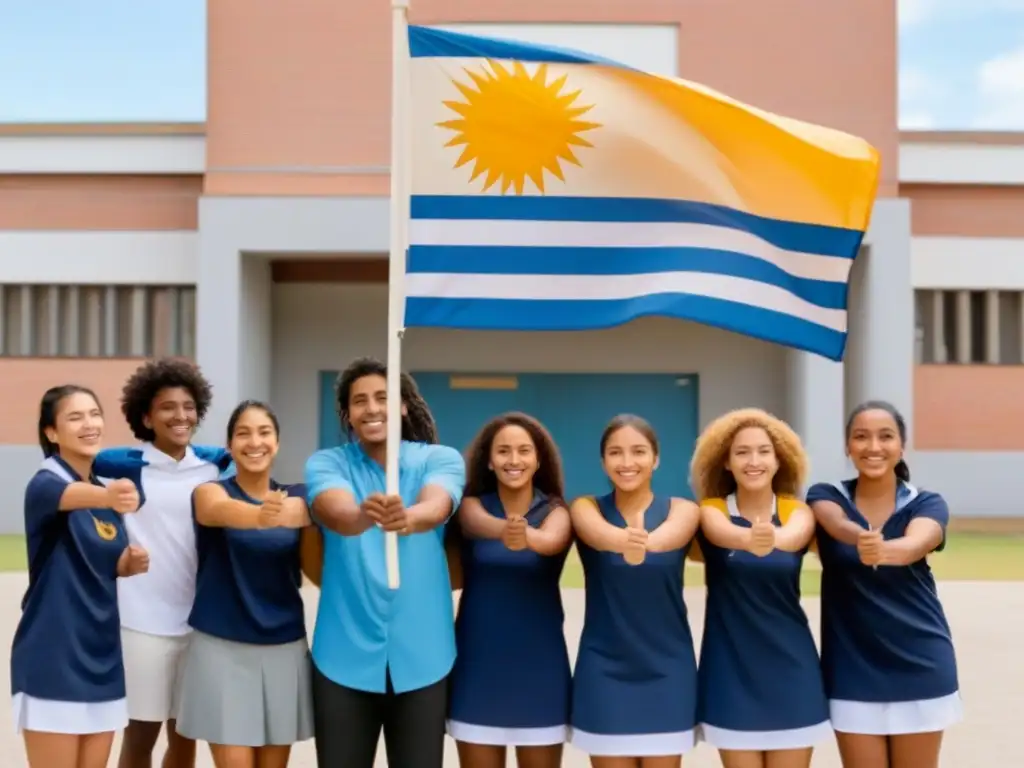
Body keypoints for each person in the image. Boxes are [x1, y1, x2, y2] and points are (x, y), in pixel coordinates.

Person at [304, 357, 466, 768]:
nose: (372, 408)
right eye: (360, 401)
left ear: (404, 406)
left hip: (423, 657)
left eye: (382, 397)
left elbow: (437, 503)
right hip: (343, 656)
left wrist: (409, 518)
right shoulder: (327, 463)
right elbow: (336, 512)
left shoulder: (439, 458)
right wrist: (366, 515)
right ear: (347, 415)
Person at [806, 400, 962, 768]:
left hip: (921, 662)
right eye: (861, 437)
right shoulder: (825, 496)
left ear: (901, 446)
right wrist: (859, 537)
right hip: (852, 668)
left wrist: (886, 550)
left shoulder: (925, 502)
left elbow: (915, 544)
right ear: (848, 446)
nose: (873, 446)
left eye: (885, 436)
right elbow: (835, 523)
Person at [93, 359, 231, 768]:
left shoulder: (213, 466)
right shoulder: (119, 468)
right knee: (139, 737)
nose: (181, 415)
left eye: (188, 406)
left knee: (186, 737)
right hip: (141, 623)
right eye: (167, 407)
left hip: (198, 622)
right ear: (146, 416)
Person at [11, 385, 150, 768]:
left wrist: (127, 563)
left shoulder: (103, 492)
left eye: (94, 414)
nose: (89, 424)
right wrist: (110, 497)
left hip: (102, 657)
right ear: (52, 433)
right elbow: (67, 495)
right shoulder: (45, 484)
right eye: (75, 417)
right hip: (54, 656)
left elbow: (103, 558)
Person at [175, 400, 315, 768]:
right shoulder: (210, 492)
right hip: (222, 648)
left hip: (284, 647)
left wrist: (312, 516)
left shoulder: (300, 496)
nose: (255, 442)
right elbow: (215, 512)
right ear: (230, 445)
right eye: (243, 433)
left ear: (278, 443)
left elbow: (316, 572)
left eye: (264, 432)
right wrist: (265, 515)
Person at [689, 408, 829, 768]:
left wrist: (774, 537)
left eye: (764, 451)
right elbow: (721, 533)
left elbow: (796, 535)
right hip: (730, 672)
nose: (754, 461)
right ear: (725, 462)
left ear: (780, 460)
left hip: (793, 671)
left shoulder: (797, 511)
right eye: (742, 452)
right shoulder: (711, 511)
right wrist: (754, 538)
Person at [569, 414, 701, 768]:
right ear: (603, 461)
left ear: (656, 458)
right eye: (616, 453)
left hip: (668, 669)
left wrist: (643, 543)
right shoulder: (586, 508)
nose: (627, 462)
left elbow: (673, 535)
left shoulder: (683, 510)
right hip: (604, 670)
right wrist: (624, 541)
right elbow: (597, 533)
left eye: (639, 452)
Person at [448, 412, 574, 768]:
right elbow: (473, 522)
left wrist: (528, 536)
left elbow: (553, 540)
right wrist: (508, 531)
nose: (513, 460)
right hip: (478, 665)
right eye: (503, 451)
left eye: (523, 451)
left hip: (541, 667)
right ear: (489, 460)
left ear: (538, 459)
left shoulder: (554, 511)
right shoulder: (473, 505)